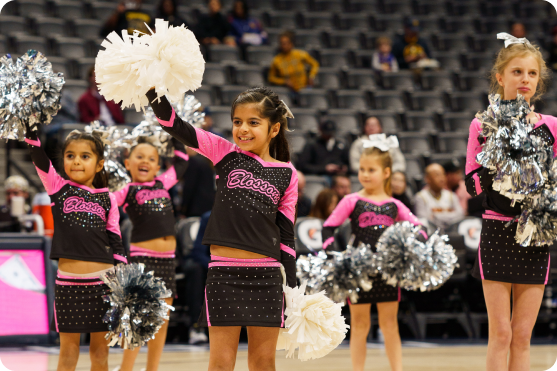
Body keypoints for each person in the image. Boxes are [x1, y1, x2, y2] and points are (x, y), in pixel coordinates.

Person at [146, 86, 298, 370]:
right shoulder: (224, 152)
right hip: (223, 274)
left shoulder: (287, 173)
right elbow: (171, 123)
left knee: (263, 363)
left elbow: (287, 236)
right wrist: (151, 88)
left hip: (266, 276)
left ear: (274, 128)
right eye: (237, 122)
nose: (242, 129)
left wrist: (293, 288)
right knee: (220, 364)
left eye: (253, 123)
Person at [465, 34, 554, 371]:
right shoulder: (481, 124)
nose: (525, 80)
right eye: (517, 72)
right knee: (501, 334)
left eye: (531, 74)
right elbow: (472, 181)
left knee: (522, 336)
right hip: (497, 231)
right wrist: (496, 183)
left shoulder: (552, 127)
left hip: (536, 234)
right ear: (500, 77)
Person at [22, 127, 126, 371]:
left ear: (99, 164)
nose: (76, 161)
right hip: (68, 285)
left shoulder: (107, 198)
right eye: (70, 156)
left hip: (104, 284)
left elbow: (115, 239)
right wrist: (30, 128)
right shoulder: (58, 187)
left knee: (100, 353)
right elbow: (38, 155)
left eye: (85, 156)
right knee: (68, 352)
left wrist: (124, 279)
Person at [321, 138, 423, 371]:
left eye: (371, 170)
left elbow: (419, 228)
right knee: (359, 325)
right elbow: (329, 226)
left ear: (386, 172)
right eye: (362, 169)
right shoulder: (352, 200)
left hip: (388, 273)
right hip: (359, 272)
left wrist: (418, 246)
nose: (365, 174)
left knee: (389, 325)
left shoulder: (394, 204)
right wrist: (333, 253)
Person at [112, 136, 189, 371]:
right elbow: (103, 208)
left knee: (161, 321)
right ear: (127, 163)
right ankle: (126, 368)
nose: (145, 161)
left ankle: (152, 369)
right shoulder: (125, 190)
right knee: (138, 320)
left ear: (158, 167)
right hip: (143, 261)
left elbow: (182, 160)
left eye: (151, 159)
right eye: (139, 157)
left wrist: (173, 134)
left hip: (167, 261)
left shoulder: (162, 183)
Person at [414, 163, 464, 228]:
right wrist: (449, 216)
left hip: (451, 231)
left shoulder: (451, 195)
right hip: (431, 233)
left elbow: (460, 215)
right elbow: (423, 220)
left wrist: (436, 217)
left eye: (443, 175)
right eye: (437, 175)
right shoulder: (421, 197)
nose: (441, 179)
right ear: (427, 179)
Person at [180, 147, 216, 218]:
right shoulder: (205, 160)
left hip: (195, 206)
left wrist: (183, 207)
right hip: (208, 204)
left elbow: (189, 186)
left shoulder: (193, 162)